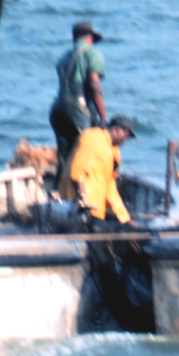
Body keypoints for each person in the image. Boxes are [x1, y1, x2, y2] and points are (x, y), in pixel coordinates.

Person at [49, 21, 108, 178]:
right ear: (89, 38)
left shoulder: (64, 57)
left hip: (58, 108)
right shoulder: (92, 53)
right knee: (85, 153)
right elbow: (94, 84)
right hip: (78, 109)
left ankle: (59, 195)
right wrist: (103, 117)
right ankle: (83, 196)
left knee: (65, 156)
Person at [58, 114, 136, 224]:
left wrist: (125, 219)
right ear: (118, 129)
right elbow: (76, 170)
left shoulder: (113, 150)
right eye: (125, 136)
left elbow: (110, 186)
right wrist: (82, 199)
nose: (125, 141)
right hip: (77, 207)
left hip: (96, 211)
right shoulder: (94, 137)